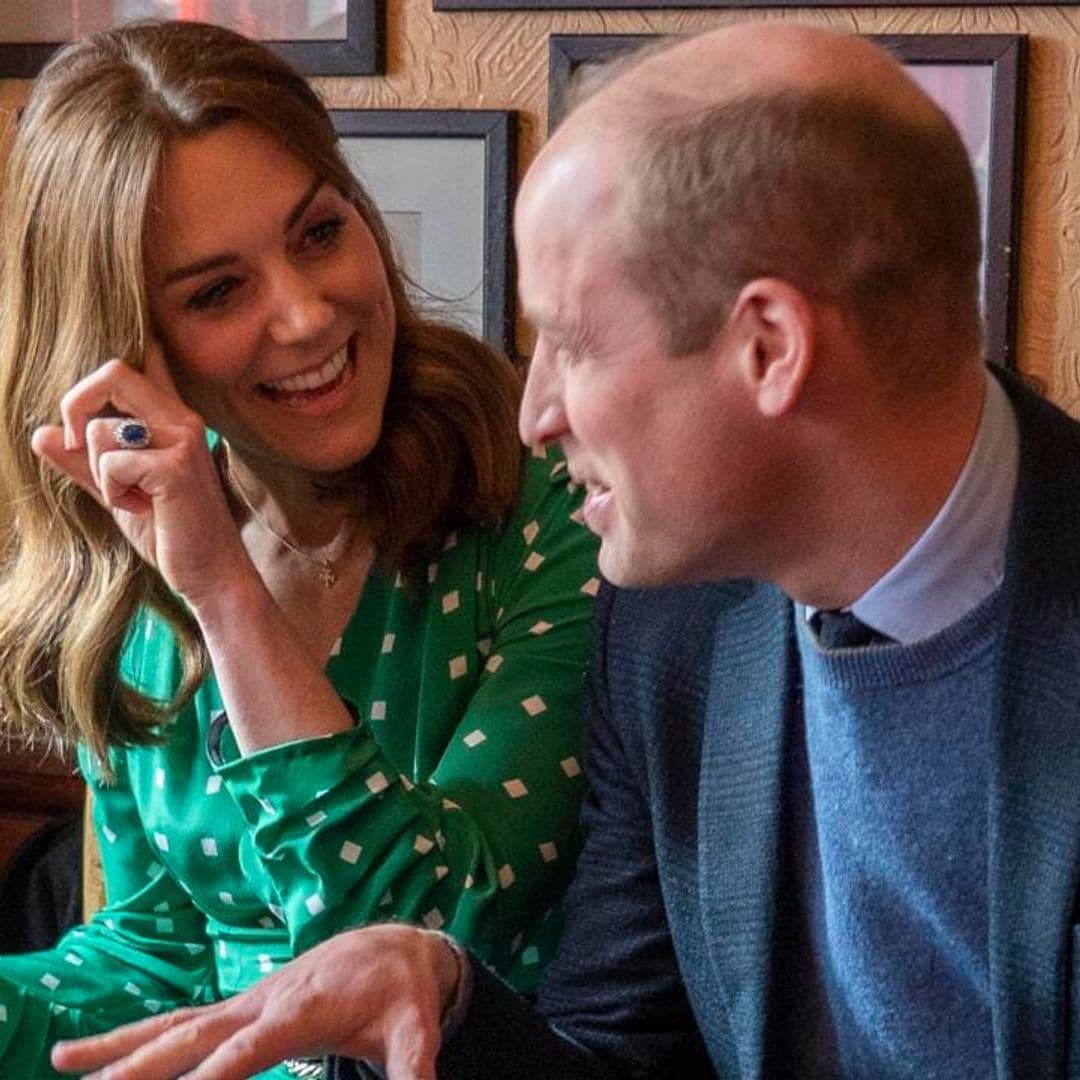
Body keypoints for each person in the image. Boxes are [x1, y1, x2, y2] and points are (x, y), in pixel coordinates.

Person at [50, 20, 1080, 1080]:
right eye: (218, 289)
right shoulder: (673, 625)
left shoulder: (566, 548)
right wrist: (442, 995)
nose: (533, 412)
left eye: (574, 346)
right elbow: (617, 1058)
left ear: (769, 349)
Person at [0, 18, 599, 1080]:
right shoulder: (147, 548)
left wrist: (229, 598)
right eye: (218, 292)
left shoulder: (541, 498)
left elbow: (429, 944)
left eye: (319, 232)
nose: (309, 314)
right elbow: (157, 953)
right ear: (127, 347)